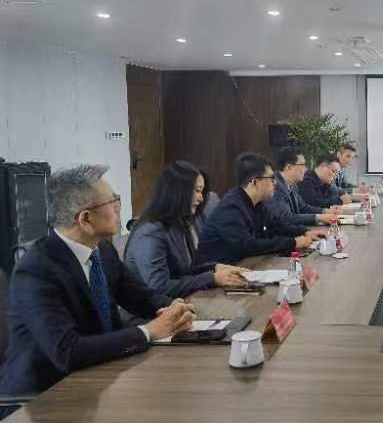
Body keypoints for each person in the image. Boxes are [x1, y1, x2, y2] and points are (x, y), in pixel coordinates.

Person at [0, 165, 196, 397]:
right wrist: (148, 331)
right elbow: (68, 351)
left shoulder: (102, 250)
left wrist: (174, 308)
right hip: (42, 397)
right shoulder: (36, 271)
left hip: (99, 376)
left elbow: (141, 297)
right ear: (85, 219)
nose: (118, 208)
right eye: (112, 202)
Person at [124, 161, 249, 299]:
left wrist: (216, 268)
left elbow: (188, 269)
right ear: (177, 191)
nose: (201, 198)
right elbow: (159, 287)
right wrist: (212, 278)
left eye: (201, 192)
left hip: (178, 303)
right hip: (151, 310)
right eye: (197, 191)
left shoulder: (179, 223)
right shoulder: (150, 232)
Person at [197, 153, 317, 265]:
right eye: (271, 178)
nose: (275, 183)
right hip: (218, 271)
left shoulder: (257, 203)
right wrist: (292, 243)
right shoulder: (231, 208)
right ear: (254, 182)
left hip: (245, 264)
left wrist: (304, 231)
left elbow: (277, 226)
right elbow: (248, 245)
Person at [263, 148, 340, 227]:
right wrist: (319, 217)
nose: (305, 169)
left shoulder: (292, 185)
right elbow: (287, 218)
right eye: (302, 165)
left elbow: (303, 208)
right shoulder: (275, 186)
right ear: (289, 167)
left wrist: (325, 211)